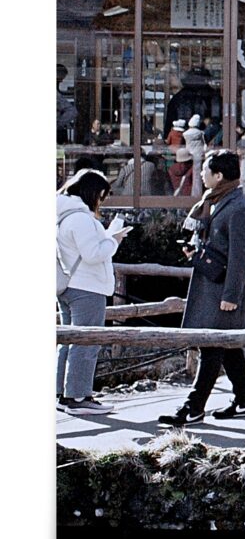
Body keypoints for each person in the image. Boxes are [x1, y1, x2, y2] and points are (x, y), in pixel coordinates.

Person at [159, 150, 245, 427]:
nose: (202, 175)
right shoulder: (217, 201)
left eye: (205, 170)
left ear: (218, 176)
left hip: (223, 289)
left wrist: (232, 296)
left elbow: (242, 258)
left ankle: (193, 408)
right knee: (225, 347)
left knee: (211, 345)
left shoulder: (239, 208)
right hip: (212, 282)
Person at [56, 168, 129, 408]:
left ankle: (62, 394)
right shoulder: (81, 218)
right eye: (102, 195)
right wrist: (113, 240)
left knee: (69, 340)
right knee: (87, 341)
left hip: (69, 285)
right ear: (94, 192)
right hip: (87, 288)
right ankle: (78, 396)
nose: (102, 201)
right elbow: (93, 254)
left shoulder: (63, 213)